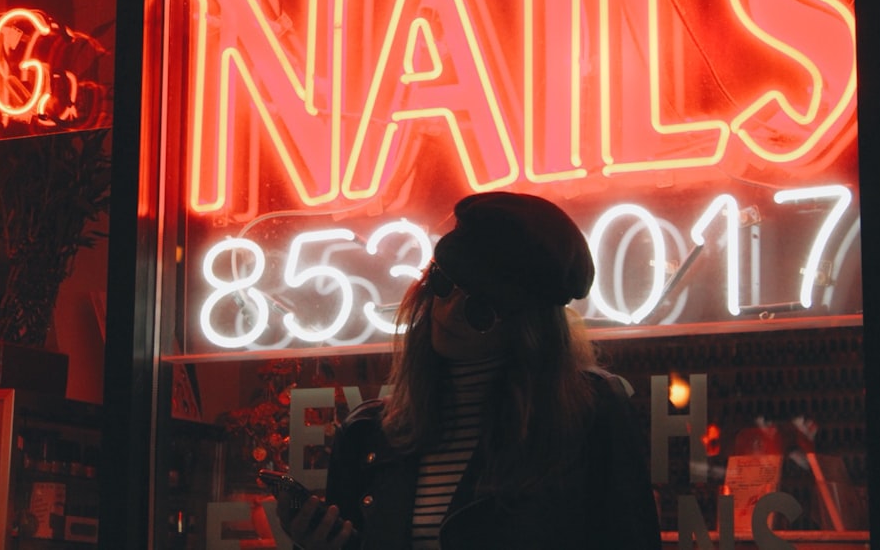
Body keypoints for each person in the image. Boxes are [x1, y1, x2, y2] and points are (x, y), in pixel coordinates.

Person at [275, 191, 661, 549]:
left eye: (480, 310)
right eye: (443, 284)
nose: (449, 310)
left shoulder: (587, 416)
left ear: (528, 331)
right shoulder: (370, 435)